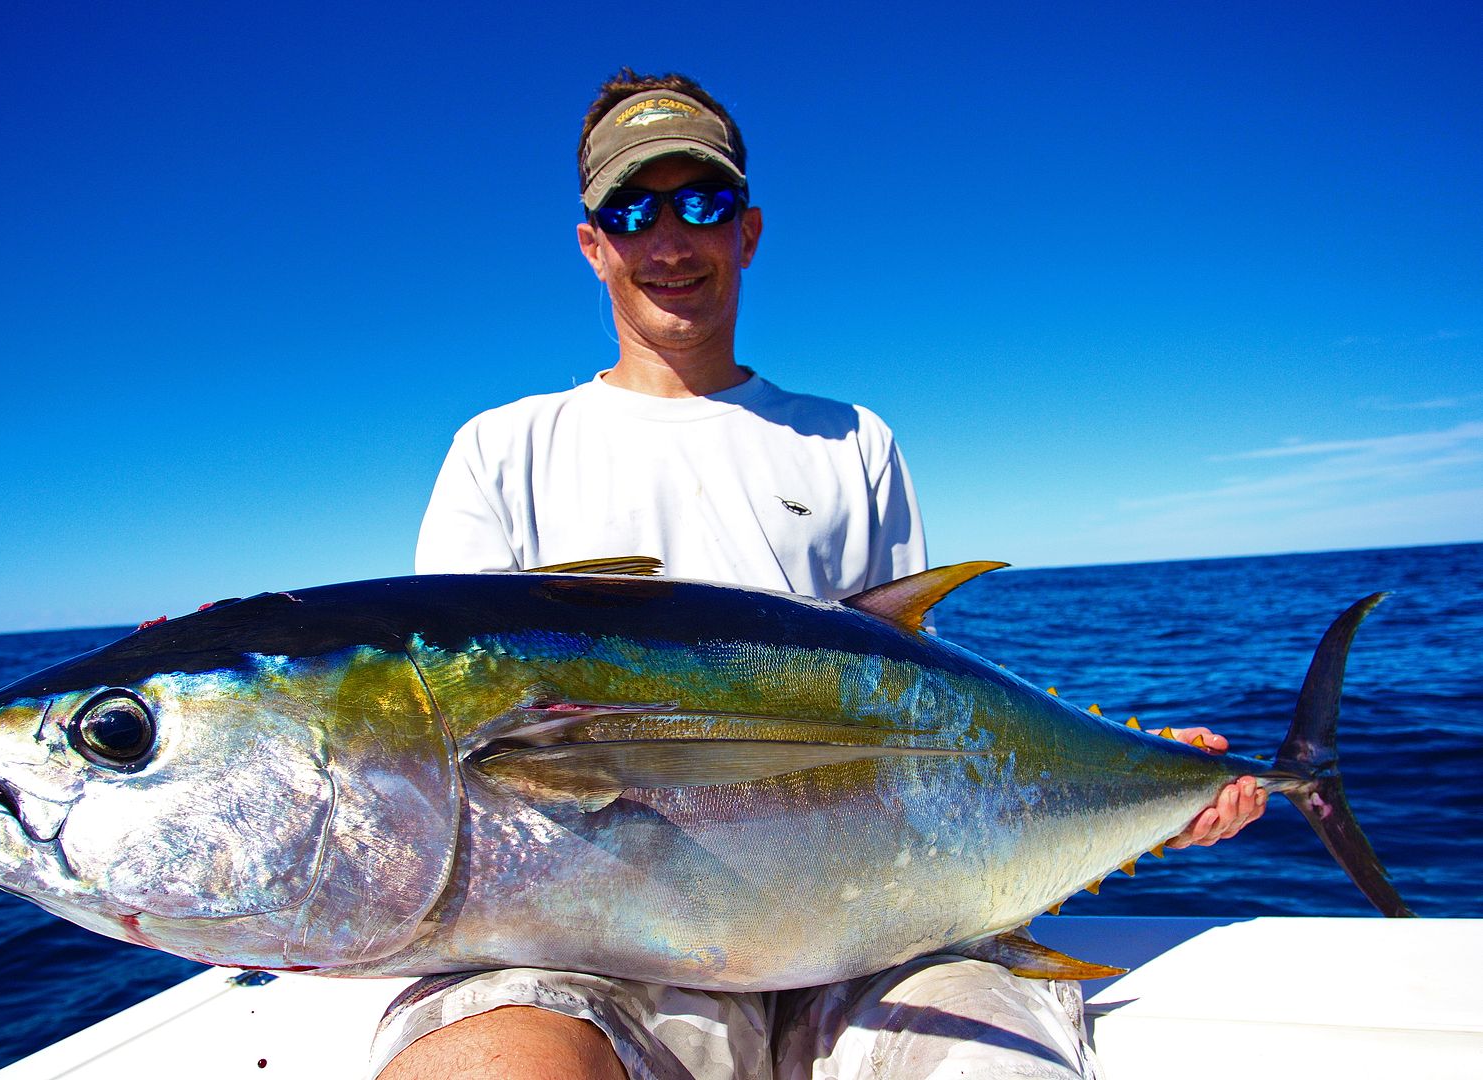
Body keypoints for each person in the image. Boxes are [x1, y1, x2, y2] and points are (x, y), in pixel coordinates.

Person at [380, 69, 1264, 1080]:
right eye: (632, 209)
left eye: (699, 204)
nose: (669, 241)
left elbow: (922, 708)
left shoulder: (849, 440)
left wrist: (1148, 777)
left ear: (747, 232)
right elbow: (439, 758)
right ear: (593, 245)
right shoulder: (505, 450)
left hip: (875, 918)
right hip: (577, 944)